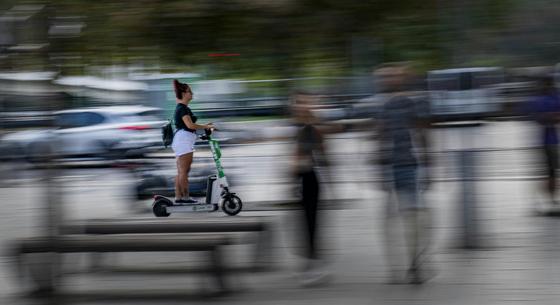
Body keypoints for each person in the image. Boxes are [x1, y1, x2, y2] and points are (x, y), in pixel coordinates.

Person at [373, 63, 433, 284]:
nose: (387, 81)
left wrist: (429, 165)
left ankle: (414, 264)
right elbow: (379, 136)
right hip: (391, 167)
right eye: (385, 77)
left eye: (393, 77)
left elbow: (423, 133)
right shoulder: (381, 105)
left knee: (413, 218)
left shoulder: (413, 102)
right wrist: (379, 169)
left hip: (410, 166)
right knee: (391, 220)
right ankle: (396, 267)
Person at [291, 92, 331, 286]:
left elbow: (323, 155)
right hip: (299, 179)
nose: (301, 106)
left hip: (310, 179)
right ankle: (311, 262)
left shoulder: (312, 127)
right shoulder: (297, 126)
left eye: (305, 102)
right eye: (299, 103)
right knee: (304, 224)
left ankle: (313, 264)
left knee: (311, 223)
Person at [171, 79, 214, 204]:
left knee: (181, 171)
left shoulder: (181, 108)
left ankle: (179, 197)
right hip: (183, 141)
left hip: (182, 140)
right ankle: (185, 198)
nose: (192, 94)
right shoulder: (182, 108)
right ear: (184, 93)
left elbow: (189, 127)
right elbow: (190, 125)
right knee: (184, 171)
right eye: (190, 91)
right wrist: (206, 126)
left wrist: (204, 128)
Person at [525, 75, 560, 206]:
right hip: (546, 141)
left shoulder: (549, 98)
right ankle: (549, 198)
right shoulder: (544, 99)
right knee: (550, 170)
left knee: (550, 170)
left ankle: (548, 198)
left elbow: (538, 117)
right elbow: (539, 117)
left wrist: (550, 117)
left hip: (549, 140)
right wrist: (551, 117)